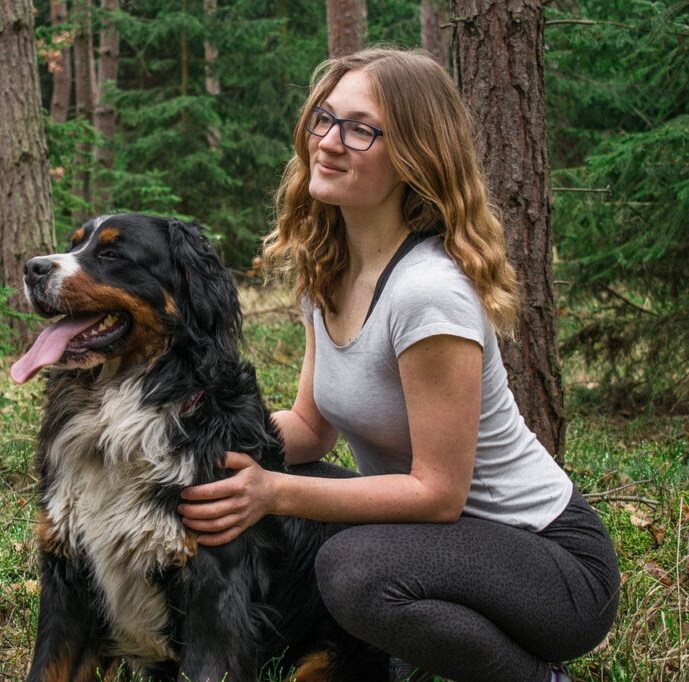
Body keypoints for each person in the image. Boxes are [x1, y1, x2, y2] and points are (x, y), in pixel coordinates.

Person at [178, 48, 619, 682]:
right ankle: (413, 651)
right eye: (323, 119)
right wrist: (194, 447)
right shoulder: (330, 270)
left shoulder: (426, 292)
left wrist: (272, 492)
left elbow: (438, 494)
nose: (328, 143)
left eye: (361, 129)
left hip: (550, 565)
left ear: (415, 155)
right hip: (441, 546)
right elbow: (308, 426)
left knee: (348, 565)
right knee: (312, 505)